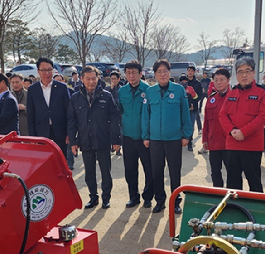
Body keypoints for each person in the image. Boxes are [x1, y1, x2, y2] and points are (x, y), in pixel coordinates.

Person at [141, 59, 192, 214]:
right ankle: (160, 201)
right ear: (155, 74)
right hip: (155, 139)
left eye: (165, 71)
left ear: (169, 73)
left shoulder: (178, 90)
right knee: (157, 171)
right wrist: (146, 136)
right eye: (159, 72)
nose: (162, 74)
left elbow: (185, 113)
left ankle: (175, 202)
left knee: (174, 171)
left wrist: (186, 134)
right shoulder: (150, 92)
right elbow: (145, 116)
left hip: (174, 139)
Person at [68, 65, 121, 209]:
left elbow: (115, 118)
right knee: (89, 172)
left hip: (103, 139)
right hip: (85, 140)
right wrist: (73, 141)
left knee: (105, 171)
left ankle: (106, 198)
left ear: (98, 78)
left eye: (94, 78)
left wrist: (116, 140)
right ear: (82, 79)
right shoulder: (75, 98)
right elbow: (72, 121)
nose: (91, 82)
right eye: (88, 79)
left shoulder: (106, 96)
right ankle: (93, 197)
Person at [219, 57, 265, 192]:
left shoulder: (263, 92)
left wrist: (244, 132)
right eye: (240, 72)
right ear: (236, 75)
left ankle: (256, 211)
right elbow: (222, 115)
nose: (244, 75)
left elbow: (262, 116)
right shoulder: (232, 93)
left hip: (252, 146)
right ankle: (234, 209)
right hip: (232, 145)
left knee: (254, 182)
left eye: (247, 71)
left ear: (254, 73)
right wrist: (232, 131)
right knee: (232, 183)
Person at [27, 58, 74, 170]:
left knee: (60, 163)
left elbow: (69, 111)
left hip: (60, 132)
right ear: (38, 71)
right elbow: (30, 114)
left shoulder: (62, 88)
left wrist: (69, 132)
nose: (47, 73)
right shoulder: (33, 89)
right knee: (45, 165)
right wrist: (33, 137)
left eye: (49, 69)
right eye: (43, 70)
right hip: (41, 133)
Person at [119, 60, 154, 208]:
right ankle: (133, 197)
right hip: (127, 137)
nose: (131, 76)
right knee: (130, 169)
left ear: (141, 74)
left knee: (149, 168)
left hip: (144, 138)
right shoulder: (122, 91)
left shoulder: (149, 90)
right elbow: (121, 112)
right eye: (128, 73)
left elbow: (152, 114)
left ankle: (148, 197)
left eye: (134, 72)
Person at [202, 68, 231, 186]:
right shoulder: (211, 99)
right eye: (216, 80)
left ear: (228, 80)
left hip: (229, 144)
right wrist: (205, 139)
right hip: (214, 143)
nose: (218, 82)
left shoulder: (234, 97)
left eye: (222, 79)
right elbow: (206, 122)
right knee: (215, 173)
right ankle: (218, 198)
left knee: (232, 173)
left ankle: (232, 200)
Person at [185, 65, 203, 151]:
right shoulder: (184, 82)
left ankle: (189, 143)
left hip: (193, 109)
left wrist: (193, 103)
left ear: (194, 72)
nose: (190, 72)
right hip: (184, 109)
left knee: (191, 126)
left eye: (192, 71)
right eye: (188, 70)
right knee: (183, 125)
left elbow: (200, 96)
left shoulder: (198, 83)